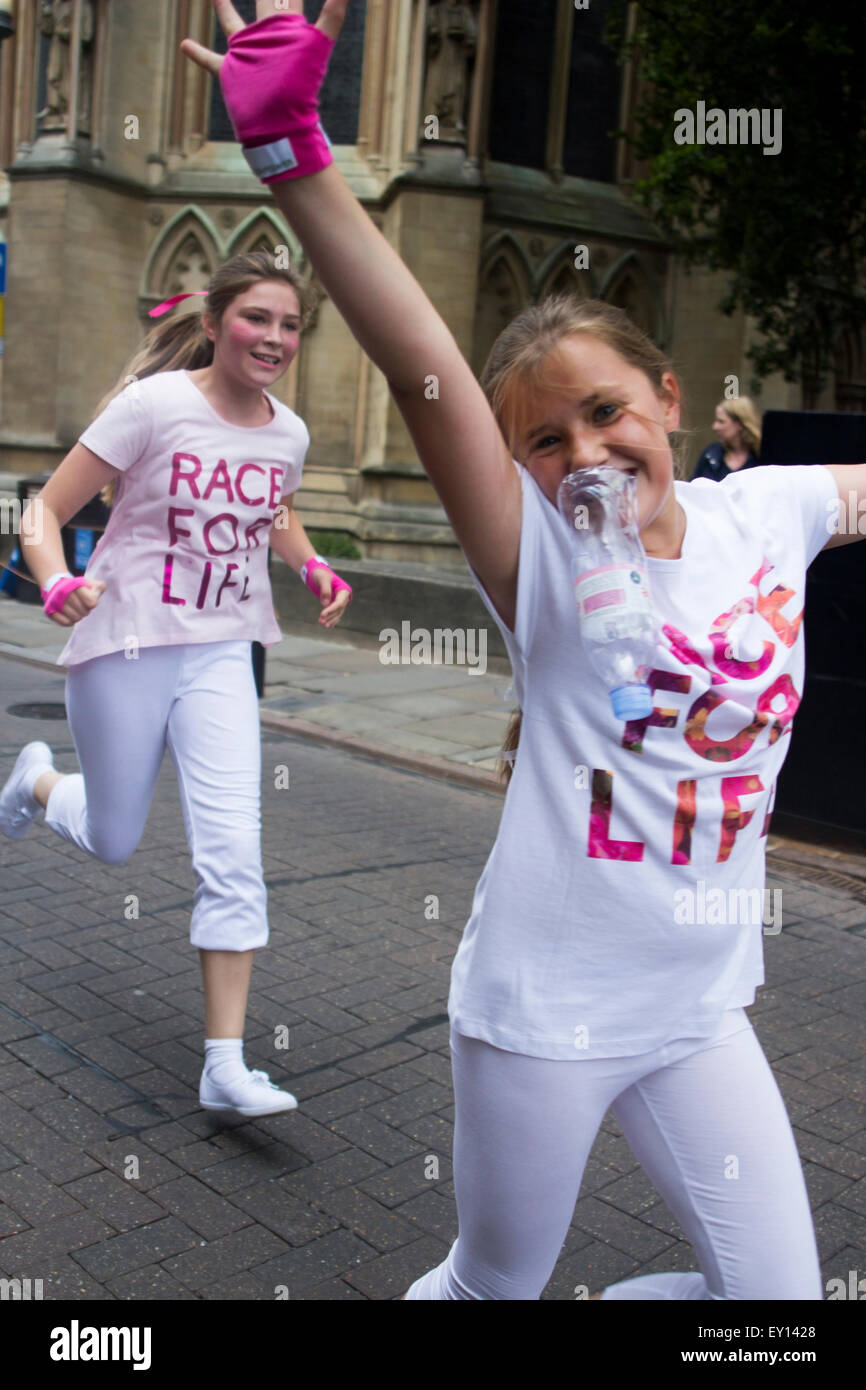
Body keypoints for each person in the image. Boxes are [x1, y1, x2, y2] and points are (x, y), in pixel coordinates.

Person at [179, 1, 866, 1298]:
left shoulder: (763, 512)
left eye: (607, 412)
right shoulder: (541, 566)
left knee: (774, 1305)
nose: (584, 452)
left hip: (700, 1005)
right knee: (494, 1281)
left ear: (668, 400)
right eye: (543, 441)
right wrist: (295, 157)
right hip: (544, 1014)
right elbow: (424, 362)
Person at [0, 248, 354, 1119]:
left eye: (289, 325)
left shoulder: (291, 431)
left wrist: (312, 568)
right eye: (256, 318)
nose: (274, 337)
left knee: (235, 851)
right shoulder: (152, 405)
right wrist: (52, 582)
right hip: (125, 641)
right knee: (115, 838)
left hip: (222, 651)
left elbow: (271, 504)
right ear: (212, 324)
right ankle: (38, 781)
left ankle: (225, 1063)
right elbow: (44, 507)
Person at [692, 397, 762, 480]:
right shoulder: (710, 455)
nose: (715, 427)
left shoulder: (761, 461)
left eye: (721, 421)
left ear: (739, 424)